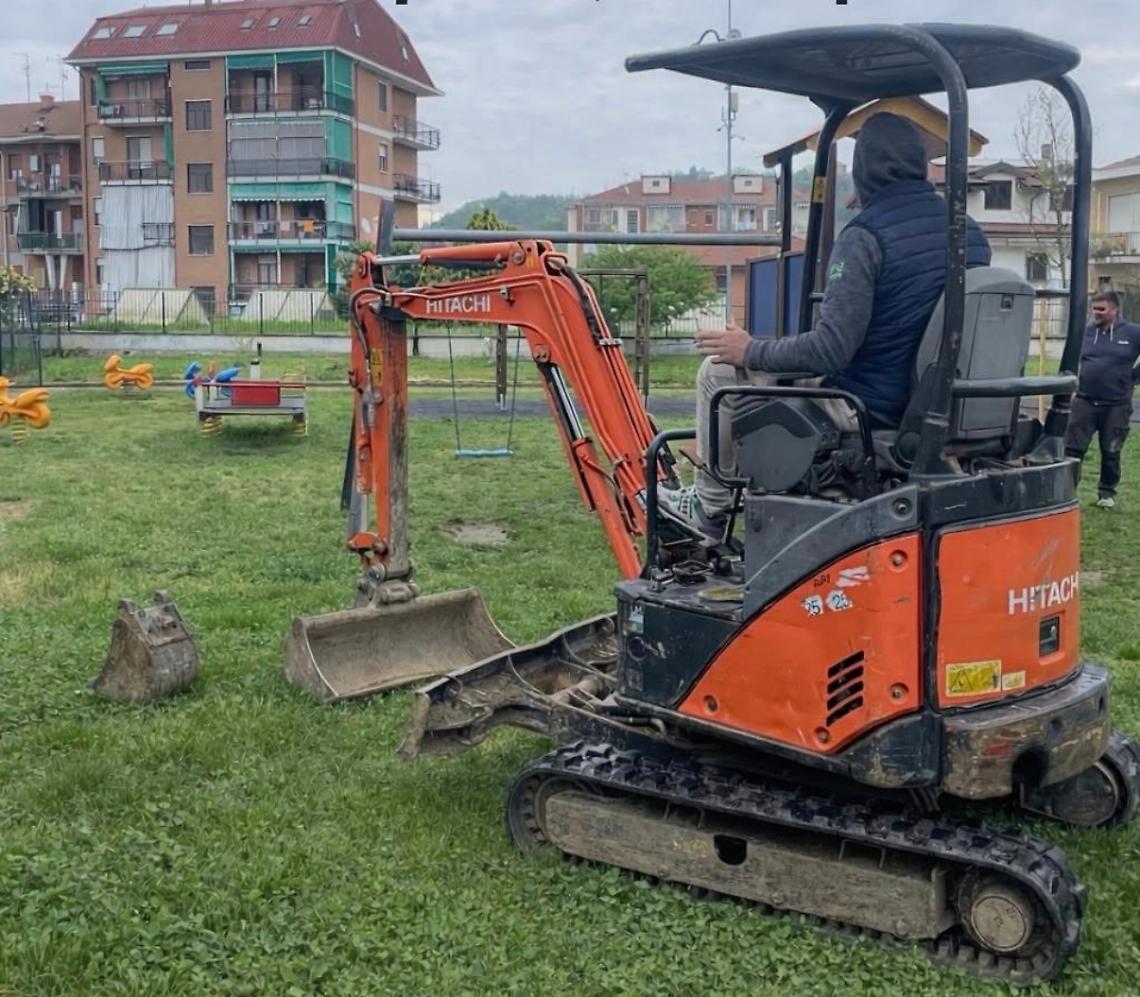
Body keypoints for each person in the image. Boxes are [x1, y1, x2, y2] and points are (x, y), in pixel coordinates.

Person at [661, 112, 992, 537]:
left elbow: (831, 349)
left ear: (863, 171)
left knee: (719, 372)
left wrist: (750, 350)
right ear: (918, 165)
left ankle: (708, 508)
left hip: (869, 406)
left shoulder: (865, 238)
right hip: (938, 401)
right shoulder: (970, 233)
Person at [1064, 290, 1140, 509]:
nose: (1096, 313)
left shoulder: (1133, 333)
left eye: (1101, 309)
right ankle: (1068, 491)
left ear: (1115, 310)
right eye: (1094, 309)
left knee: (1111, 449)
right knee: (1072, 449)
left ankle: (1106, 493)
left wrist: (1132, 378)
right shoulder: (1086, 332)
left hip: (1116, 404)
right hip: (1085, 401)